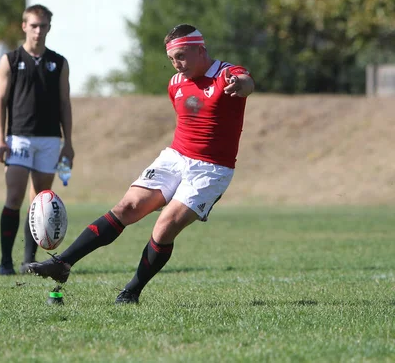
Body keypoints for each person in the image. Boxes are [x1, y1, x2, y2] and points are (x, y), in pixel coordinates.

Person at [28, 24, 254, 303]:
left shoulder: (225, 74)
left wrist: (240, 85)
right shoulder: (175, 84)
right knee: (127, 207)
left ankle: (131, 291)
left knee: (165, 225)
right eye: (171, 59)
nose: (176, 64)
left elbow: (246, 82)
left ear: (200, 48)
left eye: (182, 56)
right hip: (175, 157)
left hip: (211, 168)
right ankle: (62, 264)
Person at [0, 4, 74, 275]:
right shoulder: (11, 60)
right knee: (14, 196)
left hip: (50, 140)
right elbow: (0, 102)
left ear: (49, 27)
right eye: (34, 25)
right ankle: (5, 261)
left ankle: (29, 260)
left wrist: (68, 143)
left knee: (39, 200)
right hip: (19, 139)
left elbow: (65, 103)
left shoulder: (59, 62)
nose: (39, 30)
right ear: (24, 26)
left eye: (44, 26)